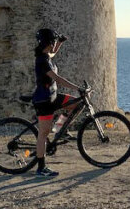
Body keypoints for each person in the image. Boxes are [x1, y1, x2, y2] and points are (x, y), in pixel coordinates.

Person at [32, 27, 81, 178]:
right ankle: (41, 168)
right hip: (44, 100)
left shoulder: (46, 55)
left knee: (75, 103)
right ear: (48, 42)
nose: (54, 45)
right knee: (43, 134)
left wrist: (60, 42)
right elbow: (57, 78)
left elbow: (52, 53)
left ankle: (60, 129)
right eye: (53, 42)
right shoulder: (42, 61)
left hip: (52, 96)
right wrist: (77, 87)